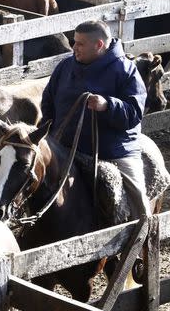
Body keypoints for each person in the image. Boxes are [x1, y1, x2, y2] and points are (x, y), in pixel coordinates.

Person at [41, 20, 150, 217]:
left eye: (80, 44)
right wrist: (50, 134)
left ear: (99, 45)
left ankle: (143, 237)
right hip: (65, 145)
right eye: (74, 42)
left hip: (114, 151)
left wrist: (107, 105)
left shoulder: (126, 71)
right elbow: (48, 100)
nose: (74, 47)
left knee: (138, 203)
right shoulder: (65, 67)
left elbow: (134, 113)